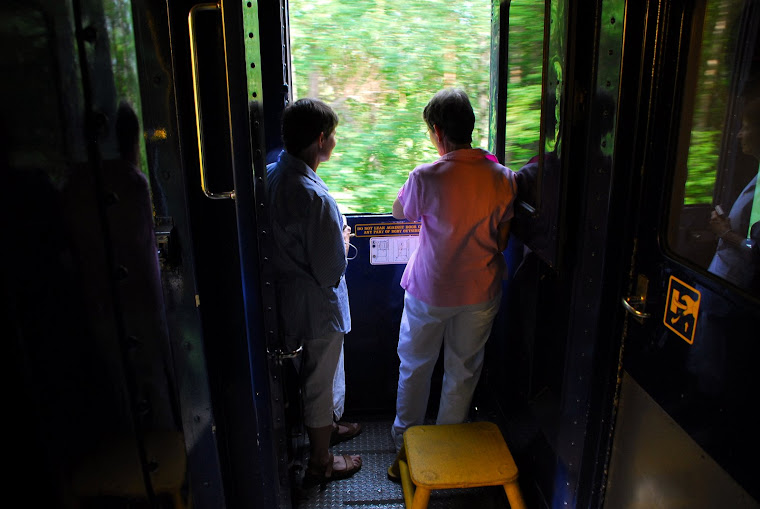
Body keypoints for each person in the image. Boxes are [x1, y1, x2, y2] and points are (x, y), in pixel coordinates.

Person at [389, 88, 518, 452]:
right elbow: (503, 240)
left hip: (430, 290)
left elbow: (401, 212)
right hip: (480, 292)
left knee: (415, 367)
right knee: (462, 370)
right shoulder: (504, 178)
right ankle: (447, 448)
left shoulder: (425, 175)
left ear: (437, 131)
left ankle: (405, 447)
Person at [266, 98, 362, 484]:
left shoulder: (273, 175)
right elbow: (330, 271)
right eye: (333, 135)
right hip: (318, 308)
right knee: (320, 381)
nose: (335, 142)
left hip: (288, 300)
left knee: (315, 378)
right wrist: (343, 238)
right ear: (320, 140)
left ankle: (327, 428)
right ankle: (321, 461)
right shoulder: (315, 197)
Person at [706, 97, 760, 291]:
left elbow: (755, 251)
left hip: (733, 290)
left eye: (745, 127)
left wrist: (726, 233)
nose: (739, 135)